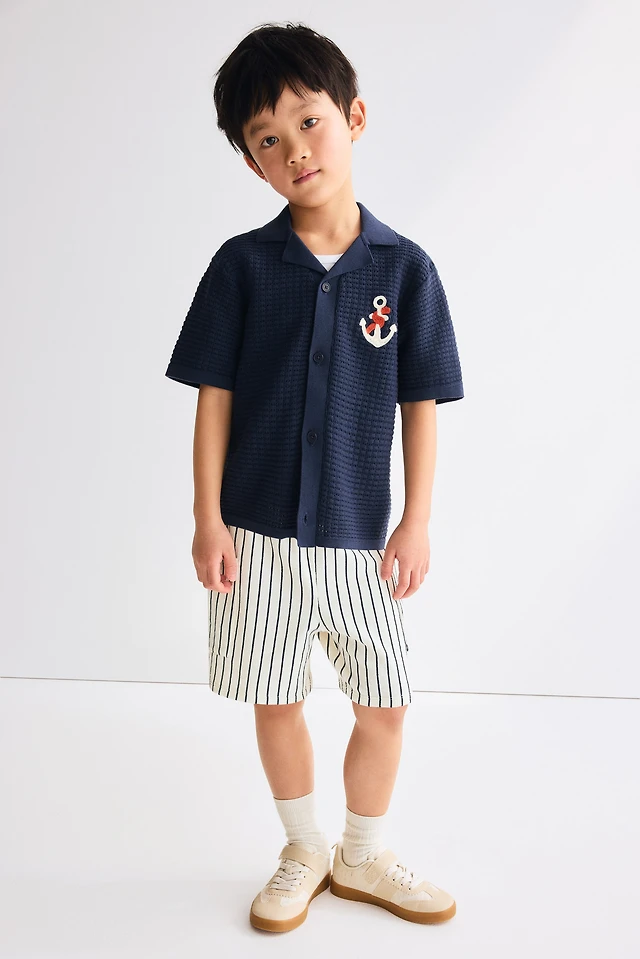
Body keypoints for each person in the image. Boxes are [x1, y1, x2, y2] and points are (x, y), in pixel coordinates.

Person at [165, 21, 464, 933]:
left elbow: (420, 402)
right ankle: (304, 848)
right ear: (251, 162)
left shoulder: (405, 271)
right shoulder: (242, 267)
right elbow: (213, 399)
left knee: (386, 703)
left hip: (360, 537)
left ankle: (362, 853)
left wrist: (416, 520)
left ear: (354, 118)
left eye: (309, 122)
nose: (295, 150)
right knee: (277, 695)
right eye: (268, 139)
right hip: (254, 536)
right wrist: (207, 518)